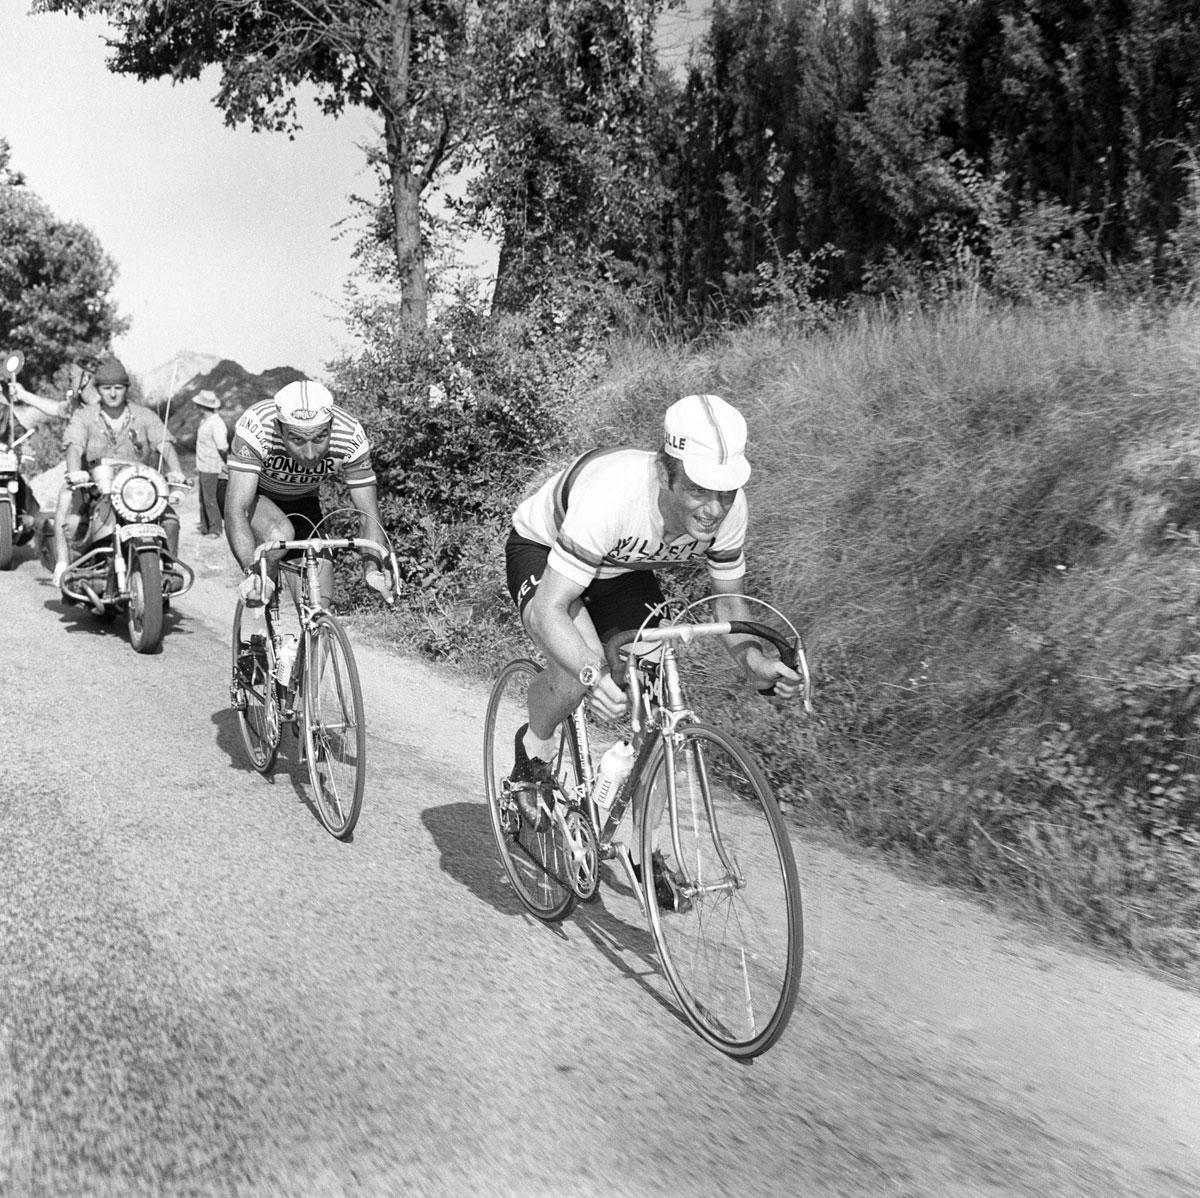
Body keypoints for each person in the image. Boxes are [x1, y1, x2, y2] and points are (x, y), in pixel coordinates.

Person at [504, 393, 803, 895]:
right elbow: (548, 609)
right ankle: (533, 747)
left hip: (624, 569)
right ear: (667, 473)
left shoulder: (729, 508)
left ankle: (647, 848)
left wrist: (755, 661)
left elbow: (729, 605)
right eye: (701, 491)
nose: (714, 510)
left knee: (657, 698)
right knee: (581, 670)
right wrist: (588, 672)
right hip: (546, 551)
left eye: (726, 493)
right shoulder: (616, 496)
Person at [223, 378, 393, 609]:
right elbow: (237, 509)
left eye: (320, 437)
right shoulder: (258, 425)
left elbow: (367, 512)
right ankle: (262, 587)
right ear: (279, 429)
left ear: (331, 426)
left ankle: (315, 638)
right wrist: (251, 570)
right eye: (297, 439)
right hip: (251, 493)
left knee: (320, 599)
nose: (311, 454)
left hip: (301, 499)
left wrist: (372, 569)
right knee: (279, 534)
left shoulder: (350, 434)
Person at [52, 356, 187, 585]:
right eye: (106, 388)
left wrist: (176, 471)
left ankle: (168, 569)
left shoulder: (145, 415)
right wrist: (75, 471)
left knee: (171, 520)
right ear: (98, 389)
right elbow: (74, 447)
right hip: (98, 489)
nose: (113, 394)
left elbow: (164, 444)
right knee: (73, 524)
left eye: (118, 388)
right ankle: (73, 570)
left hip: (139, 489)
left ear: (126, 389)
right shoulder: (84, 416)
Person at [192, 389, 228, 538]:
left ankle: (216, 529)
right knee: (203, 499)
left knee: (211, 499)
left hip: (212, 466)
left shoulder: (217, 423)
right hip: (203, 464)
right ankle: (205, 526)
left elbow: (222, 447)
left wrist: (225, 463)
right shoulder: (205, 422)